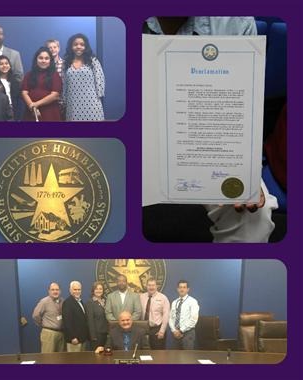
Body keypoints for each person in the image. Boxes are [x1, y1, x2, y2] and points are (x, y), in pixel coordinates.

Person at [143, 16, 278, 243]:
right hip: (137, 140)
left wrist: (245, 171)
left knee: (253, 218)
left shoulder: (236, 22)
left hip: (210, 142)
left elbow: (242, 110)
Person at [63, 33, 105, 121]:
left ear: (86, 47)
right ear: (71, 46)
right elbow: (64, 83)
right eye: (75, 44)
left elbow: (100, 78)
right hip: (73, 104)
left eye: (82, 44)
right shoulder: (66, 62)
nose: (78, 47)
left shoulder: (92, 60)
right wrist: (64, 99)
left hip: (91, 103)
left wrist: (99, 95)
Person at [21, 47, 62, 121]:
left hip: (50, 112)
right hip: (31, 112)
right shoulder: (29, 75)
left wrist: (36, 104)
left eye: (46, 58)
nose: (43, 61)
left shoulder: (55, 75)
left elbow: (55, 95)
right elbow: (24, 92)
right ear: (36, 59)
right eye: (41, 58)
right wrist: (32, 106)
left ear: (50, 61)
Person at [32, 282, 65, 353]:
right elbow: (35, 315)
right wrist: (43, 324)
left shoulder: (63, 301)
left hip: (61, 334)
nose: (55, 291)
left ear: (60, 291)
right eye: (53, 290)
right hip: (49, 333)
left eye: (57, 289)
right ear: (49, 291)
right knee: (48, 358)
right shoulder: (44, 302)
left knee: (61, 358)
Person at [139, 277, 170, 349]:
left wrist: (162, 331)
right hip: (143, 329)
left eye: (153, 285)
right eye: (149, 285)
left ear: (156, 286)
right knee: (144, 352)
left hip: (157, 329)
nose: (151, 287)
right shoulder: (141, 297)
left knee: (158, 354)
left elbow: (166, 315)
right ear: (146, 286)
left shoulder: (163, 298)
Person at [168, 280, 199, 350]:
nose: (182, 289)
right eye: (180, 287)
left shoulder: (193, 301)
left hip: (187, 334)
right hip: (175, 334)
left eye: (184, 287)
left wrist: (181, 330)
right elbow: (170, 318)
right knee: (174, 358)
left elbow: (193, 320)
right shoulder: (174, 302)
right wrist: (174, 330)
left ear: (188, 289)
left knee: (187, 358)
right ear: (177, 289)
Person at [61, 281, 89, 352]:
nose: (77, 291)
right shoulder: (67, 303)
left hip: (82, 339)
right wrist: (72, 337)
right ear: (70, 290)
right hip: (74, 340)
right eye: (75, 289)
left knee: (81, 361)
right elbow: (67, 322)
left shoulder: (80, 301)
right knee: (74, 361)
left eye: (79, 289)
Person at [0, 55, 21, 120]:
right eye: (1, 64)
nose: (4, 66)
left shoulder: (15, 81)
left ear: (10, 66)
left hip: (14, 110)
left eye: (6, 63)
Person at [85, 281, 109, 350]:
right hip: (96, 335)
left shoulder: (105, 301)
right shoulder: (90, 303)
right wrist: (93, 336)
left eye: (100, 289)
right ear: (93, 290)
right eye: (96, 289)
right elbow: (90, 321)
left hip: (105, 333)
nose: (99, 290)